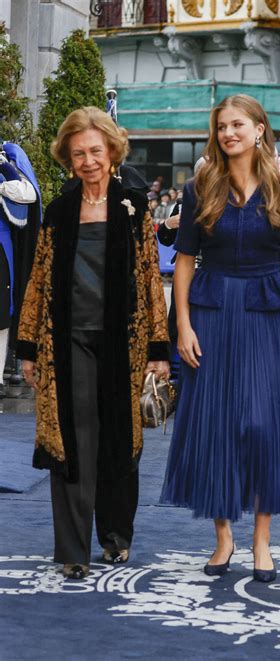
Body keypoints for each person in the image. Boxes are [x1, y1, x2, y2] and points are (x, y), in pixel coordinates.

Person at [16, 106, 170, 580]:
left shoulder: (135, 207)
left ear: (112, 151)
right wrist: (27, 348)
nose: (88, 161)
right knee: (72, 442)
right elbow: (39, 280)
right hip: (66, 344)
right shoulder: (60, 211)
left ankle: (116, 538)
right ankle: (72, 549)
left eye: (95, 151)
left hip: (123, 344)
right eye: (78, 153)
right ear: (68, 157)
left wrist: (158, 350)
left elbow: (149, 278)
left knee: (119, 441)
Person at [160, 94, 280, 583]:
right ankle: (224, 538)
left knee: (262, 426)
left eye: (238, 124)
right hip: (211, 311)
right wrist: (181, 323)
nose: (228, 134)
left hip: (265, 314)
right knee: (215, 423)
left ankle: (262, 540)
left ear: (260, 129)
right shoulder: (200, 188)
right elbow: (183, 260)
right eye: (222, 126)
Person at [0, 141, 41, 396]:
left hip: (1, 249)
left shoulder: (7, 161)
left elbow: (28, 193)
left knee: (1, 315)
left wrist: (5, 170)